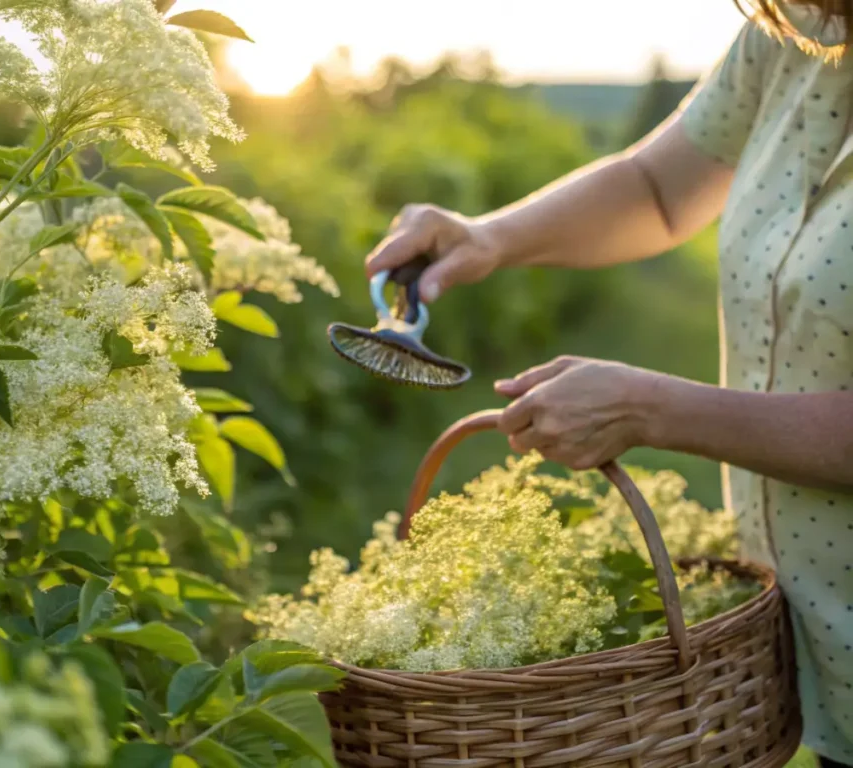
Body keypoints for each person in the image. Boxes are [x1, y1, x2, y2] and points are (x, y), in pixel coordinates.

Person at [365, 1, 853, 764]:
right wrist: (488, 237)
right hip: (819, 643)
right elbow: (658, 188)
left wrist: (651, 407)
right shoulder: (797, 33)